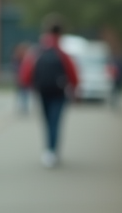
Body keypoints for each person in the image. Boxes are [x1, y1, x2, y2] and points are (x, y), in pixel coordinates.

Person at [18, 15, 78, 168]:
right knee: (55, 121)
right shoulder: (61, 51)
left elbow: (27, 71)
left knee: (46, 121)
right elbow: (72, 73)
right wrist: (75, 90)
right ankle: (53, 151)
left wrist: (29, 86)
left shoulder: (38, 49)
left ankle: (48, 151)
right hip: (59, 91)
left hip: (42, 90)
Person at [12, 42, 31, 115]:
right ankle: (22, 107)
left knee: (24, 93)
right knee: (22, 93)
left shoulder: (25, 59)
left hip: (24, 79)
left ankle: (24, 107)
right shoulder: (19, 59)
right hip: (21, 79)